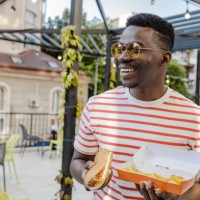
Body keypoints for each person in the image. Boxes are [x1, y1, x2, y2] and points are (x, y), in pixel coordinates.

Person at [70, 13, 200, 200]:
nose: (122, 57)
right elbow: (78, 160)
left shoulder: (193, 117)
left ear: (164, 59)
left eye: (134, 48)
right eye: (120, 48)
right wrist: (85, 175)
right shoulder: (97, 106)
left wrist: (179, 198)